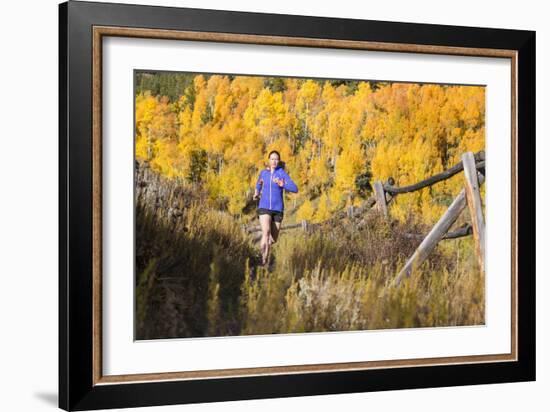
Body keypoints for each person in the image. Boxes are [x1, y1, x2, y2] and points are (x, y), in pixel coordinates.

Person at [252, 150, 298, 266]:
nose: (274, 161)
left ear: (279, 161)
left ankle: (265, 252)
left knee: (273, 239)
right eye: (272, 159)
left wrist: (283, 185)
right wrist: (256, 192)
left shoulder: (281, 173)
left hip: (278, 209)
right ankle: (263, 261)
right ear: (268, 160)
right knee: (266, 232)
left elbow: (295, 188)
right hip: (264, 207)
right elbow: (258, 183)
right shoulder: (264, 173)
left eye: (276, 159)